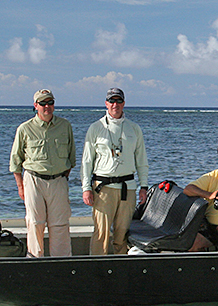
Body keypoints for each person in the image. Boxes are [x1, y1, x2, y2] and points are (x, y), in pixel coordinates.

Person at [81, 87, 150, 255]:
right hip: (103, 189)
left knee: (122, 235)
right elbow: (87, 161)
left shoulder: (134, 129)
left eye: (119, 101)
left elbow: (141, 160)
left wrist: (144, 186)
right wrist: (86, 188)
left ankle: (121, 271)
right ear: (106, 104)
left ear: (124, 104)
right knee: (101, 235)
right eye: (112, 101)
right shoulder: (95, 128)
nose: (115, 104)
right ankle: (97, 272)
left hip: (128, 188)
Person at [10, 89, 76, 257]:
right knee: (35, 223)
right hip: (33, 181)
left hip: (59, 181)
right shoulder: (24, 129)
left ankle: (61, 265)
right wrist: (20, 187)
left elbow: (71, 157)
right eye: (42, 103)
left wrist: (61, 178)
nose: (47, 107)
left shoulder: (65, 126)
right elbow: (16, 162)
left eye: (50, 103)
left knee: (60, 225)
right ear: (35, 106)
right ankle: (35, 261)